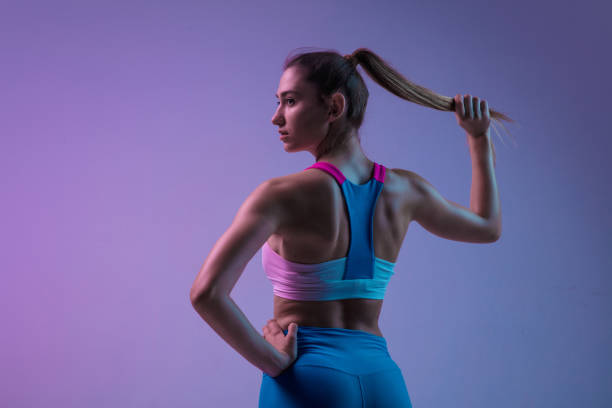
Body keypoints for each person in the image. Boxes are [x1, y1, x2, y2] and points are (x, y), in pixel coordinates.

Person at [189, 48, 511, 408]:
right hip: (383, 380)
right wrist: (478, 140)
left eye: (290, 102)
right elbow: (486, 226)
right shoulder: (406, 190)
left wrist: (274, 360)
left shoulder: (279, 196)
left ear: (334, 108)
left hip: (309, 380)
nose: (276, 118)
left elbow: (207, 293)